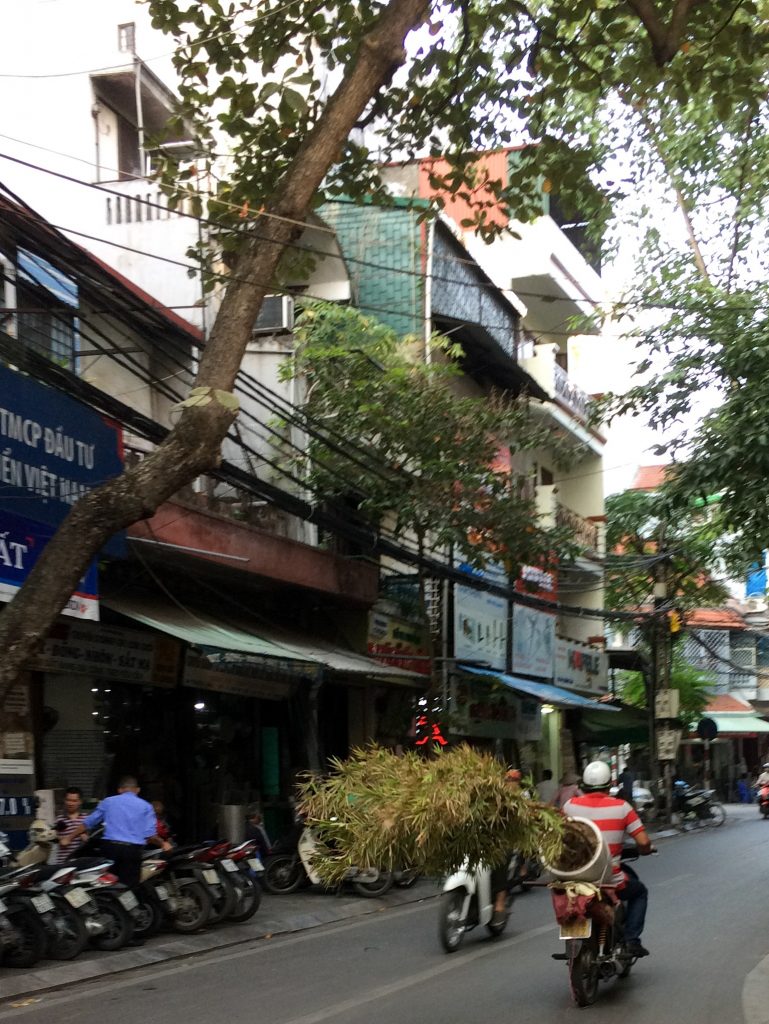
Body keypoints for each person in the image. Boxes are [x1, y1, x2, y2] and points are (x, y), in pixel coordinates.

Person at [562, 760, 654, 958]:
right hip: (608, 877)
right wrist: (646, 849)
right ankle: (632, 940)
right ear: (609, 784)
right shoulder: (622, 807)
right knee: (639, 893)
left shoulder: (569, 806)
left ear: (584, 785)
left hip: (574, 875)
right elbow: (643, 842)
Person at [66, 775, 171, 889]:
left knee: (108, 884)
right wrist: (163, 844)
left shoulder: (108, 802)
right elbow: (150, 835)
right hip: (132, 851)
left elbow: (88, 823)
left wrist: (69, 837)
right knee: (130, 887)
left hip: (110, 849)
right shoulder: (146, 806)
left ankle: (109, 905)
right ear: (137, 790)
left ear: (119, 790)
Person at [490, 768, 523, 925]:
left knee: (501, 860)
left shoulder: (521, 798)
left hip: (507, 840)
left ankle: (500, 903)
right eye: (508, 780)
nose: (510, 783)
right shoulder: (493, 796)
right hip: (487, 839)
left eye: (513, 780)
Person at [54, 787, 88, 864]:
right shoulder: (59, 819)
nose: (70, 803)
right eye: (68, 800)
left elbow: (91, 840)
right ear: (64, 800)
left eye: (74, 801)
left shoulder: (86, 819)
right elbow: (54, 837)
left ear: (80, 802)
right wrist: (60, 839)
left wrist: (86, 838)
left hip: (80, 863)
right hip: (62, 863)